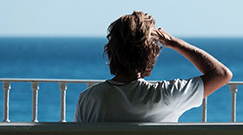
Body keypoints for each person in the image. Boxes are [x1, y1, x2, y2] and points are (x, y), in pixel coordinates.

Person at [73, 11, 232, 122]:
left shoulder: (88, 99)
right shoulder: (167, 95)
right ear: (151, 54)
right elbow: (222, 74)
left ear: (111, 51)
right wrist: (177, 44)